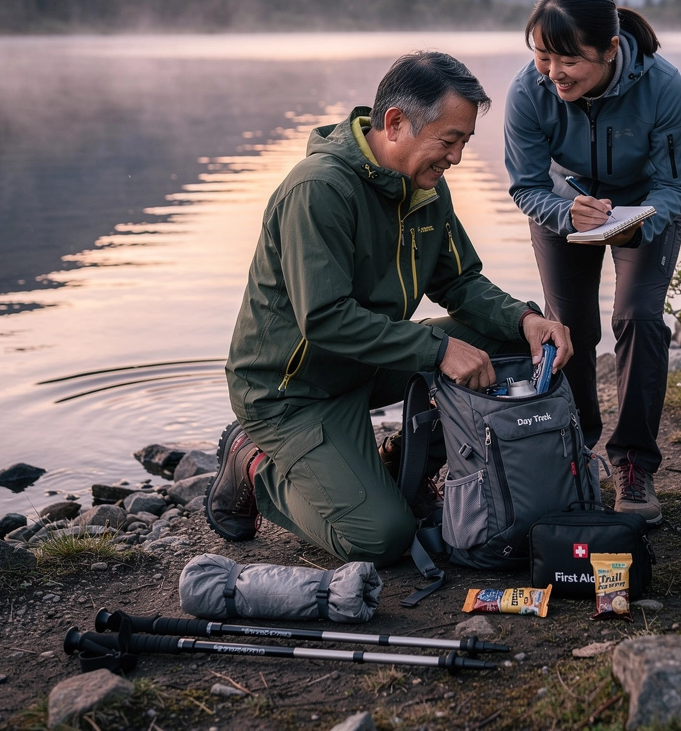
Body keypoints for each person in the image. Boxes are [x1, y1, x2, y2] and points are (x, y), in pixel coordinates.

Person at [206, 51, 572, 566]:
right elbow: (326, 318)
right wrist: (438, 349)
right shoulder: (319, 190)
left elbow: (460, 281)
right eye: (449, 141)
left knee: (511, 341)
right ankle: (252, 462)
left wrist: (527, 319)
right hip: (291, 391)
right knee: (383, 538)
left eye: (464, 142)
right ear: (396, 124)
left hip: (368, 363)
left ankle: (407, 463)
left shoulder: (425, 188)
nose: (457, 158)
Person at [503, 0, 681, 525]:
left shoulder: (662, 86)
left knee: (638, 317)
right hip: (565, 210)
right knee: (569, 327)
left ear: (610, 49)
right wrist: (568, 213)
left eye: (568, 59)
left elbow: (677, 183)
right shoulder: (528, 91)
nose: (552, 72)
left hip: (643, 212)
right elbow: (525, 185)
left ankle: (634, 464)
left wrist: (637, 219)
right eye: (542, 56)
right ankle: (579, 450)